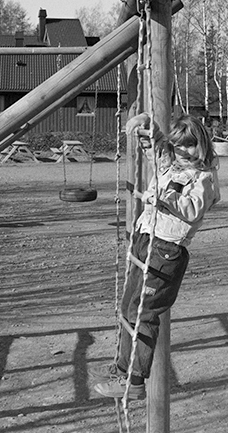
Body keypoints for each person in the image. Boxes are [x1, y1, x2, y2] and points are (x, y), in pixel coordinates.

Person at [93, 112, 220, 400]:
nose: (185, 151)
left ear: (202, 144)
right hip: (145, 239)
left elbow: (191, 209)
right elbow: (157, 144)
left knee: (143, 311)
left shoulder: (205, 178)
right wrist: (146, 124)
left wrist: (163, 195)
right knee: (128, 308)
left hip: (167, 250)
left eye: (191, 145)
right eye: (179, 146)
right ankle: (122, 369)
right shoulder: (170, 164)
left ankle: (135, 380)